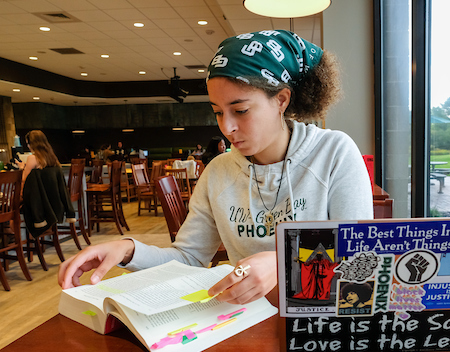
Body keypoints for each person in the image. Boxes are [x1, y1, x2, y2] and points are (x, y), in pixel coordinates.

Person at [58, 29, 373, 305]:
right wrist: (128, 249)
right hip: (243, 322)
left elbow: (360, 256)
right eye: (218, 112)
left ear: (281, 100)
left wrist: (284, 265)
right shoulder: (219, 172)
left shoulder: (333, 153)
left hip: (321, 321)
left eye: (240, 110)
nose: (227, 127)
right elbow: (189, 258)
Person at [18, 130, 75, 237]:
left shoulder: (32, 158)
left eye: (28, 143)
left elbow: (24, 179)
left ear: (32, 144)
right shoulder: (53, 158)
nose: (28, 146)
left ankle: (16, 240)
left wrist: (22, 168)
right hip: (53, 203)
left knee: (12, 210)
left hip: (39, 205)